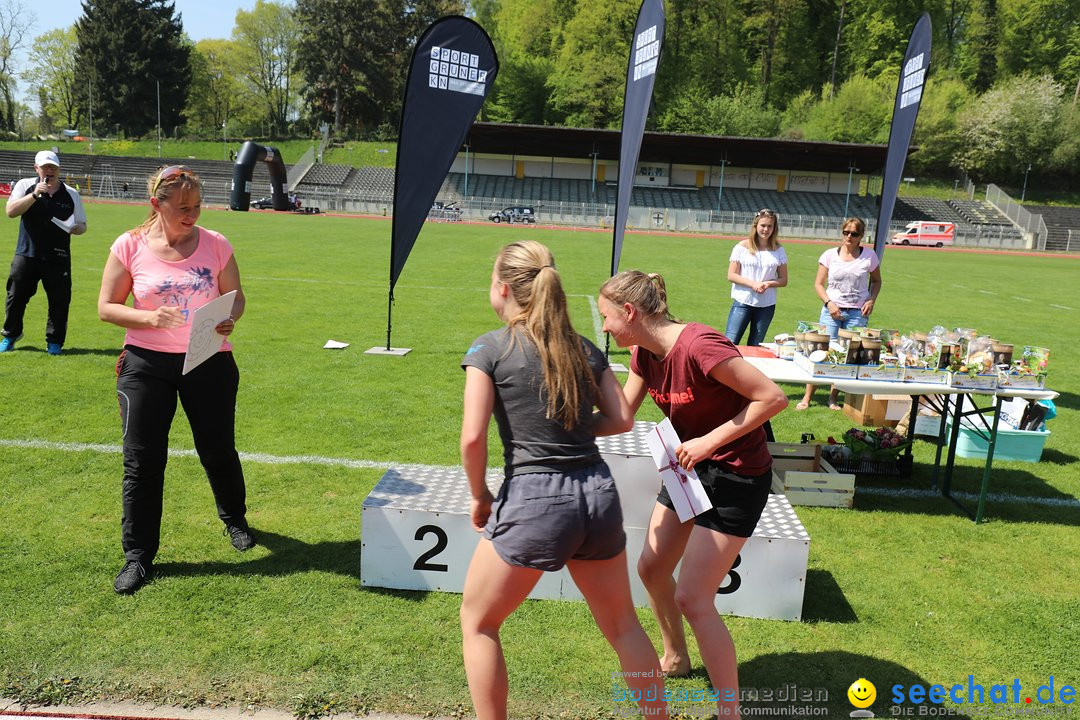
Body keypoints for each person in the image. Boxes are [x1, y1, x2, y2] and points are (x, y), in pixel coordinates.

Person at [460, 241, 667, 720]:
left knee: (479, 623)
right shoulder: (584, 347)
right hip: (597, 494)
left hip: (536, 498)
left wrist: (478, 495)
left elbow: (472, 439)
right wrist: (568, 431)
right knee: (623, 627)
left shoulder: (489, 348)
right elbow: (620, 419)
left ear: (505, 288)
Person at [598, 270, 788, 718]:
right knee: (651, 568)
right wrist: (562, 417)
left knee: (694, 599)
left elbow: (772, 398)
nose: (604, 327)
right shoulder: (645, 353)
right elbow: (622, 415)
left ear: (630, 312)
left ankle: (730, 712)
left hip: (738, 476)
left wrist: (708, 442)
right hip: (689, 470)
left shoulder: (700, 345)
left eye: (607, 318)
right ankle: (677, 657)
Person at [97, 165, 254, 595]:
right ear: (157, 204)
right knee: (142, 461)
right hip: (146, 365)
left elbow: (236, 297)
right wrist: (148, 317)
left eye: (198, 206)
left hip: (209, 361)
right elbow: (107, 307)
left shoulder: (217, 244)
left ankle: (235, 520)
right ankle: (138, 556)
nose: (193, 214)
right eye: (183, 207)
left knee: (218, 448)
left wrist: (229, 319)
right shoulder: (129, 245)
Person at [1, 150, 88, 355]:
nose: (49, 170)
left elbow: (83, 224)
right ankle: (11, 335)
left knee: (59, 300)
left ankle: (54, 342)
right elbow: (11, 212)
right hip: (26, 253)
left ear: (58, 169)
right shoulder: (25, 186)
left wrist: (78, 229)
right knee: (15, 296)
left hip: (58, 257)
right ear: (36, 168)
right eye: (45, 167)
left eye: (53, 167)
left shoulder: (71, 194)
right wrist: (34, 195)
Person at [797, 216, 882, 410]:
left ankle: (833, 397)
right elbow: (818, 284)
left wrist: (871, 299)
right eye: (846, 232)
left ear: (861, 236)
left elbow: (877, 281)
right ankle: (807, 398)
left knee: (846, 356)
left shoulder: (869, 256)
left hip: (857, 312)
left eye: (854, 233)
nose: (849, 237)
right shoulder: (829, 255)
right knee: (819, 352)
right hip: (831, 311)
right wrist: (829, 303)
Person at [724, 208, 787, 346]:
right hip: (743, 301)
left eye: (770, 226)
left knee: (755, 346)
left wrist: (767, 284)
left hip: (766, 305)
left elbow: (783, 280)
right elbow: (731, 275)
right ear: (756, 226)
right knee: (730, 343)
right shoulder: (742, 247)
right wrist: (753, 284)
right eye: (763, 225)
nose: (766, 229)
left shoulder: (779, 250)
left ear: (774, 228)